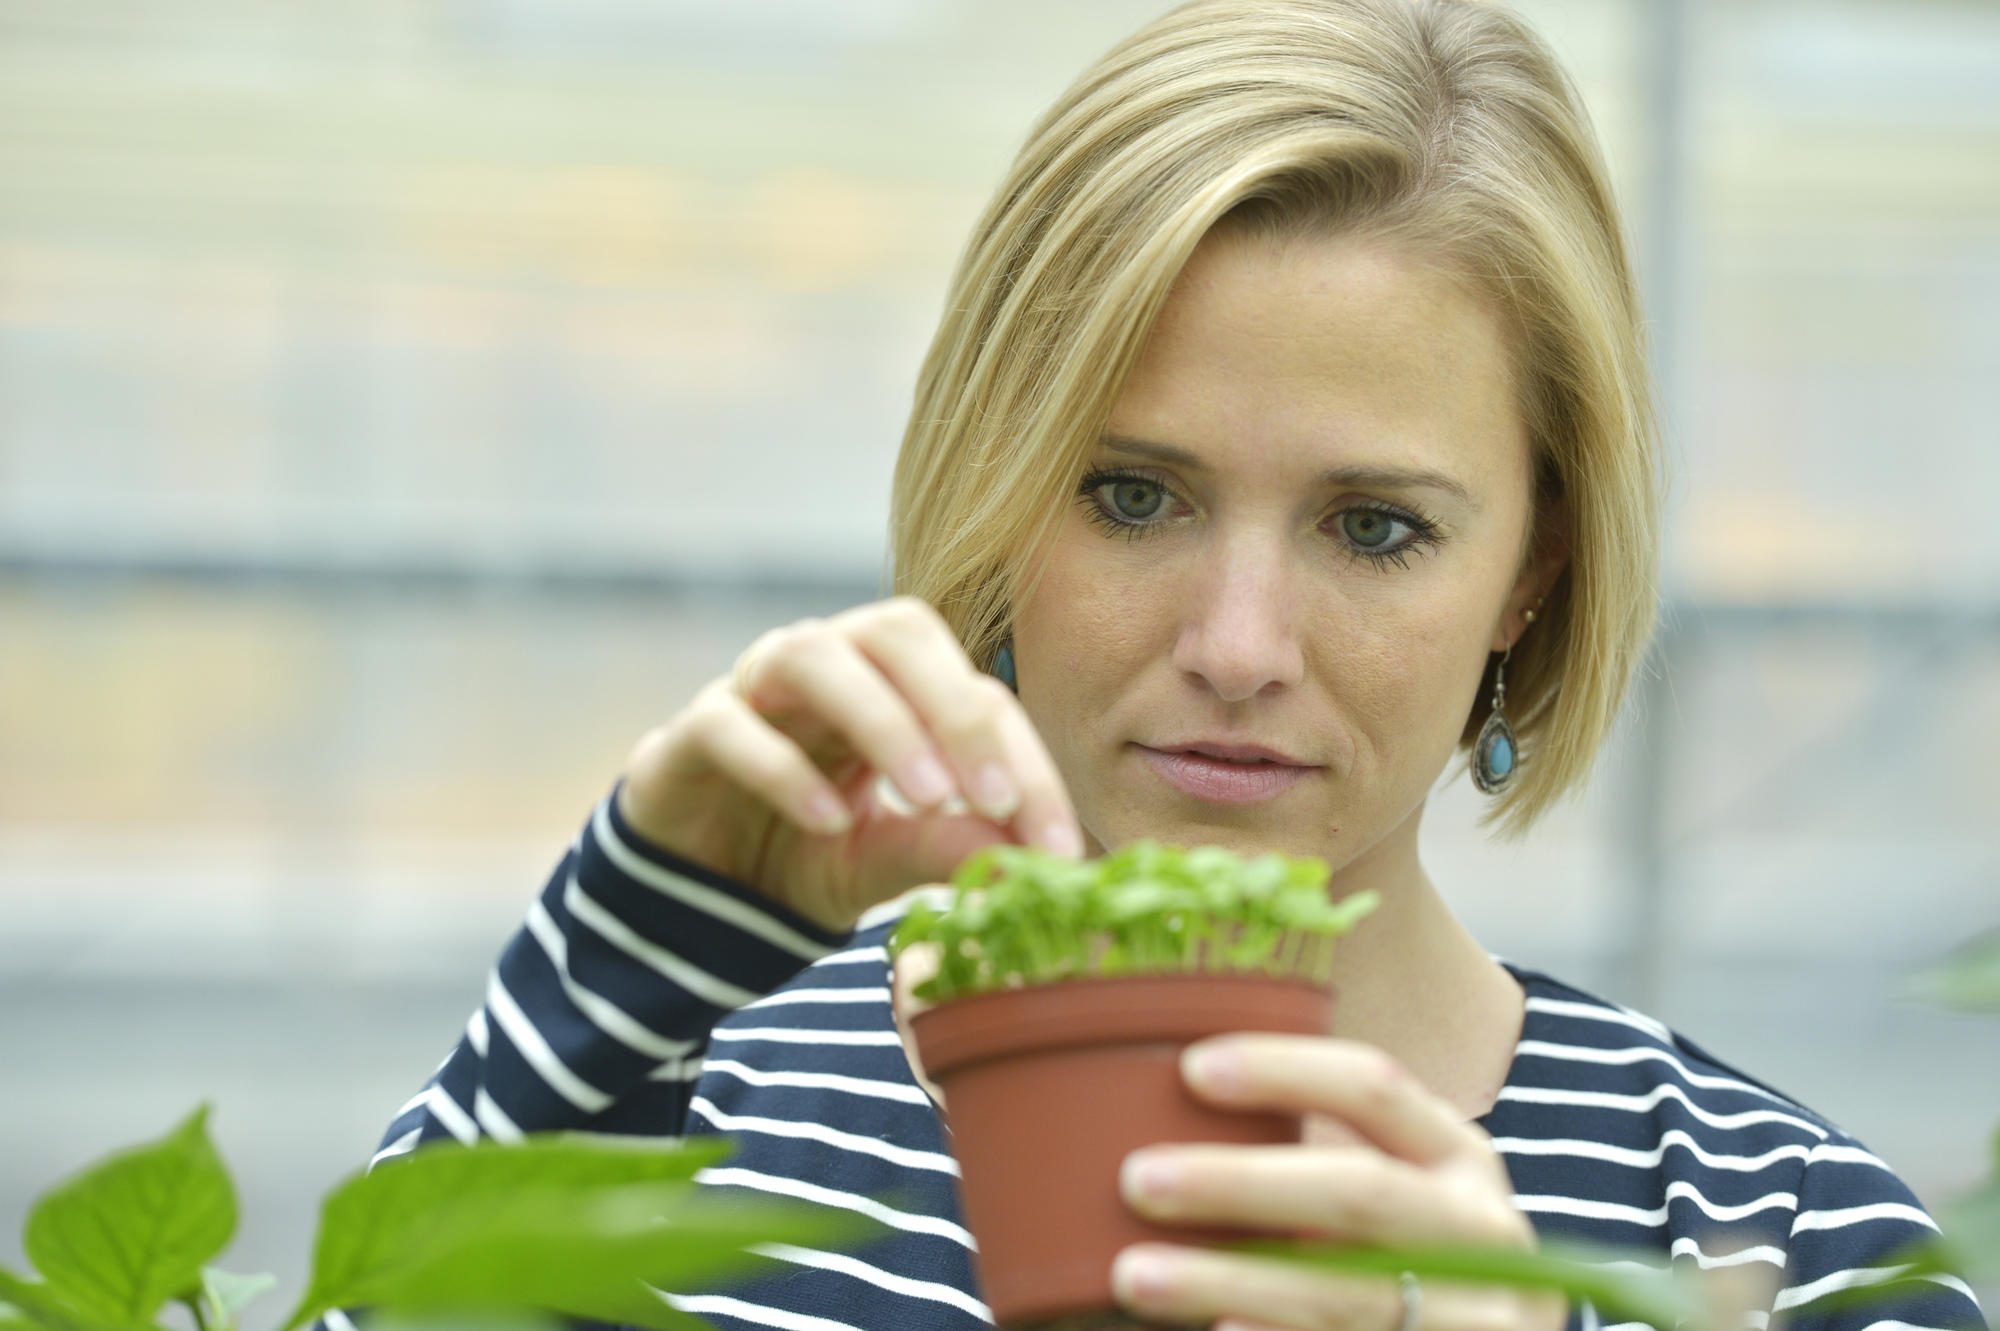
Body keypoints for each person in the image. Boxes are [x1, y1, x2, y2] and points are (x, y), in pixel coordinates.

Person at [334, 2, 1986, 1329]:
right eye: (1134, 496)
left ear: (1530, 578)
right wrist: (637, 952)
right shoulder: (692, 1112)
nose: (1238, 647)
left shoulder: (1776, 1246)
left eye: (1376, 530)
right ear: (998, 482)